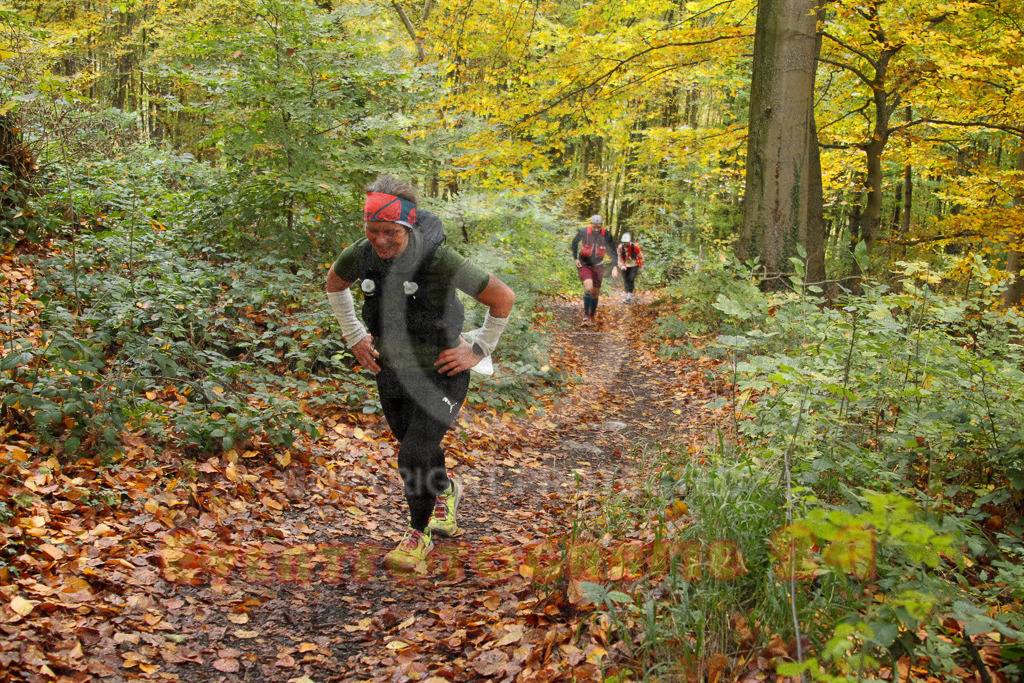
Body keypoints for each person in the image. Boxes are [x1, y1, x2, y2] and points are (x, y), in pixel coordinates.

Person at [325, 175, 515, 571]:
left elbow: (502, 298)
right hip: (390, 369)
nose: (380, 241)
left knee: (412, 453)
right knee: (419, 446)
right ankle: (445, 490)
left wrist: (478, 349)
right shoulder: (362, 254)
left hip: (442, 372)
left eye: (390, 232)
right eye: (373, 231)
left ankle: (418, 535)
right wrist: (354, 337)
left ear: (408, 226)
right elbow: (334, 284)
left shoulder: (438, 260)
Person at [570, 214, 618, 326]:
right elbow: (574, 243)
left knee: (596, 293)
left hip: (598, 265)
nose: (596, 229)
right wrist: (575, 258)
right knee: (588, 288)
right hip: (584, 264)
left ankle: (592, 316)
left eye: (599, 226)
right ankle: (586, 316)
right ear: (591, 224)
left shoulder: (606, 234)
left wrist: (615, 266)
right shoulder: (583, 232)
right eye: (594, 226)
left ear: (601, 225)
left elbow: (613, 251)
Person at [617, 232, 645, 303]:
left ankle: (629, 298)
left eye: (626, 242)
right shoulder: (620, 247)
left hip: (635, 265)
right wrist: (622, 266)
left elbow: (640, 256)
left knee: (631, 279)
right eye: (624, 242)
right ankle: (627, 295)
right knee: (626, 280)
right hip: (625, 265)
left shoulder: (635, 247)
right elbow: (619, 257)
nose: (625, 243)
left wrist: (641, 266)